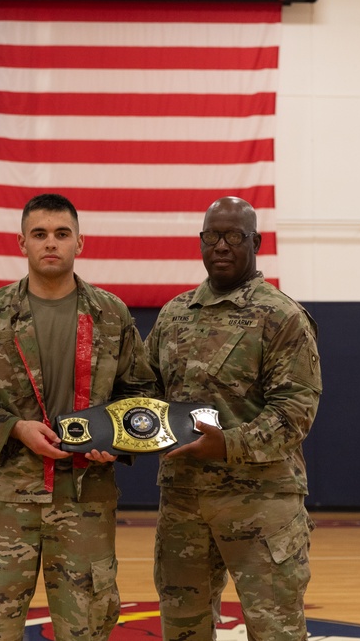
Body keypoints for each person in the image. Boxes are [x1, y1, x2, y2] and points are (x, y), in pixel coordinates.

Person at [0, 193, 155, 641]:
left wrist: (115, 441)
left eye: (61, 234)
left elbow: (141, 392)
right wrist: (12, 428)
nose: (50, 243)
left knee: (87, 627)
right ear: (22, 243)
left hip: (85, 498)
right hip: (6, 500)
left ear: (80, 243)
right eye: (39, 234)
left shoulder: (111, 315)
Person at [145, 196, 322, 641]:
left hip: (261, 506)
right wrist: (118, 433)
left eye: (233, 236)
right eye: (211, 236)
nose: (220, 246)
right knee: (183, 629)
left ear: (256, 241)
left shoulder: (282, 317)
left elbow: (295, 411)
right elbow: (145, 393)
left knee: (275, 632)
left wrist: (228, 444)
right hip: (183, 503)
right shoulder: (173, 314)